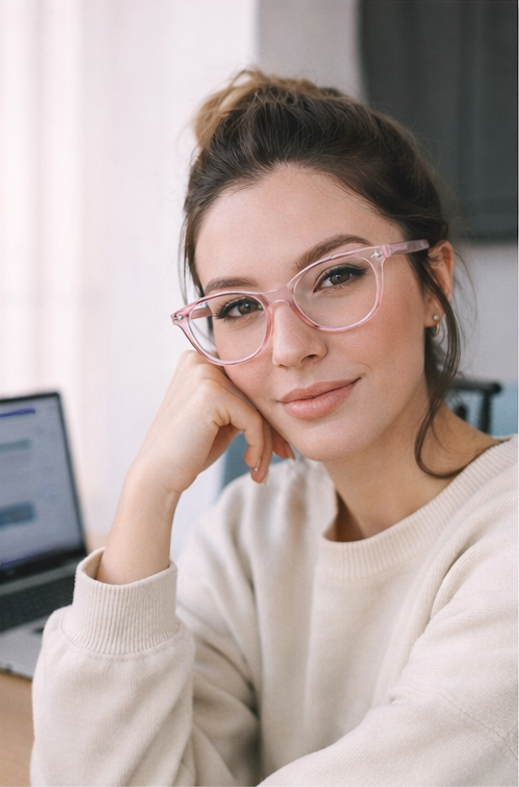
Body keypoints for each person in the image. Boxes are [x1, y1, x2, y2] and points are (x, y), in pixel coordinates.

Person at [31, 71, 517, 786]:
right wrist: (146, 493)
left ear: (433, 282)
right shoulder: (249, 533)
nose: (289, 347)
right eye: (238, 308)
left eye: (336, 275)